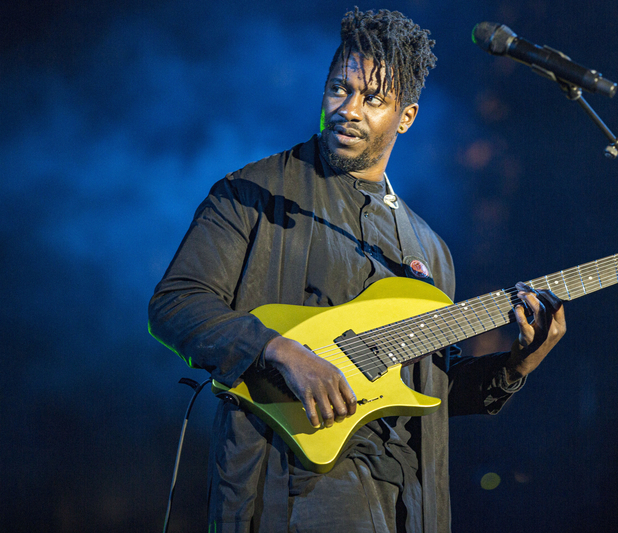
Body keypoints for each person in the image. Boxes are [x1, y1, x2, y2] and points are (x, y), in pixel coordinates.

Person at [148, 7, 565, 533]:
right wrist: (283, 351)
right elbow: (175, 304)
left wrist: (516, 367)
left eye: (373, 99)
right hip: (290, 490)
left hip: (406, 503)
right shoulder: (254, 191)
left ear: (405, 117)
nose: (349, 108)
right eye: (339, 89)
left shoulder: (430, 251)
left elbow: (432, 387)